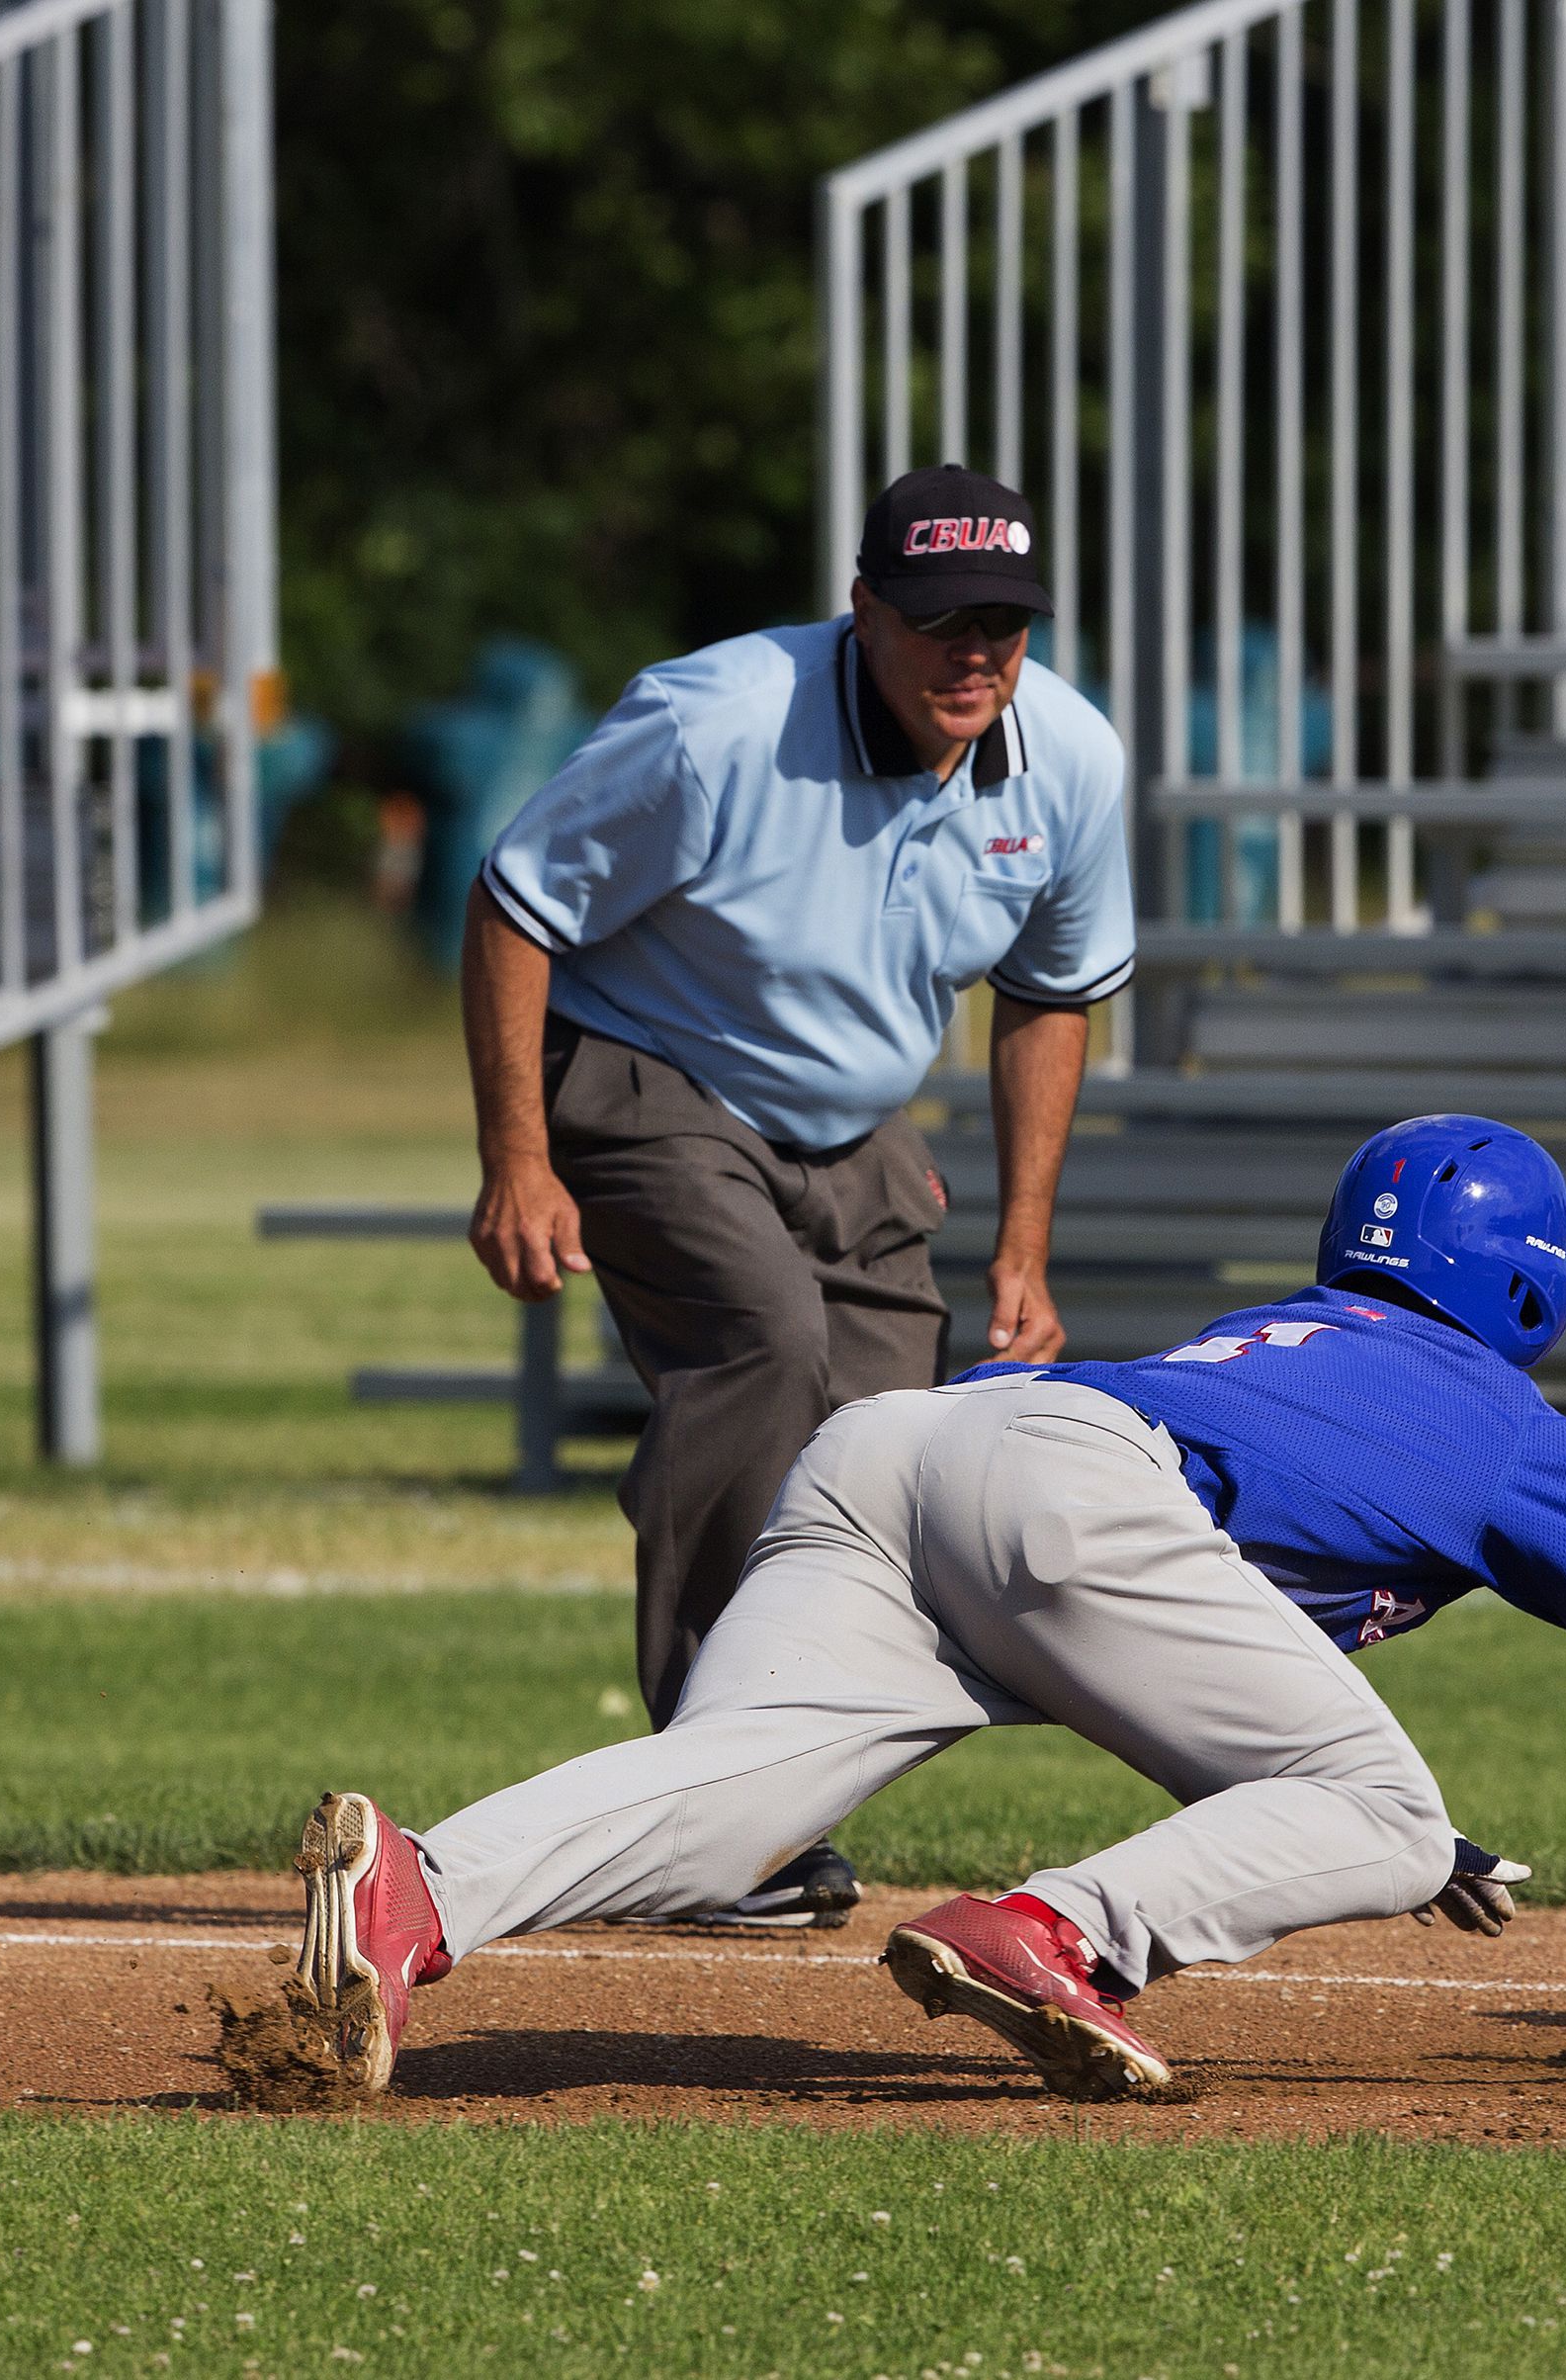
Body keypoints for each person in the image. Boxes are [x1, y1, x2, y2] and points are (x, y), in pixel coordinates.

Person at [252, 1116, 1566, 2105]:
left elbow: (1172, 1632)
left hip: (906, 1443)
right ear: (1528, 1289)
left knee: (731, 1807)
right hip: (1065, 1476)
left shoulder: (1278, 1336)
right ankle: (1055, 1931)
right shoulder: (1527, 1434)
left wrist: (1289, 1813)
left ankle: (422, 1892)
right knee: (1384, 1812)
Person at [464, 464, 1135, 1927]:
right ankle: (701, 1799)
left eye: (1006, 624)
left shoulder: (1070, 757)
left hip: (855, 1119)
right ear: (865, 610)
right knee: (760, 1341)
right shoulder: (714, 726)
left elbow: (1050, 994)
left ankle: (776, 1790)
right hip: (645, 1065)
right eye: (944, 619)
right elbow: (517, 904)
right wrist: (517, 1161)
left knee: (884, 1452)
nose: (978, 654)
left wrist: (1024, 1244)